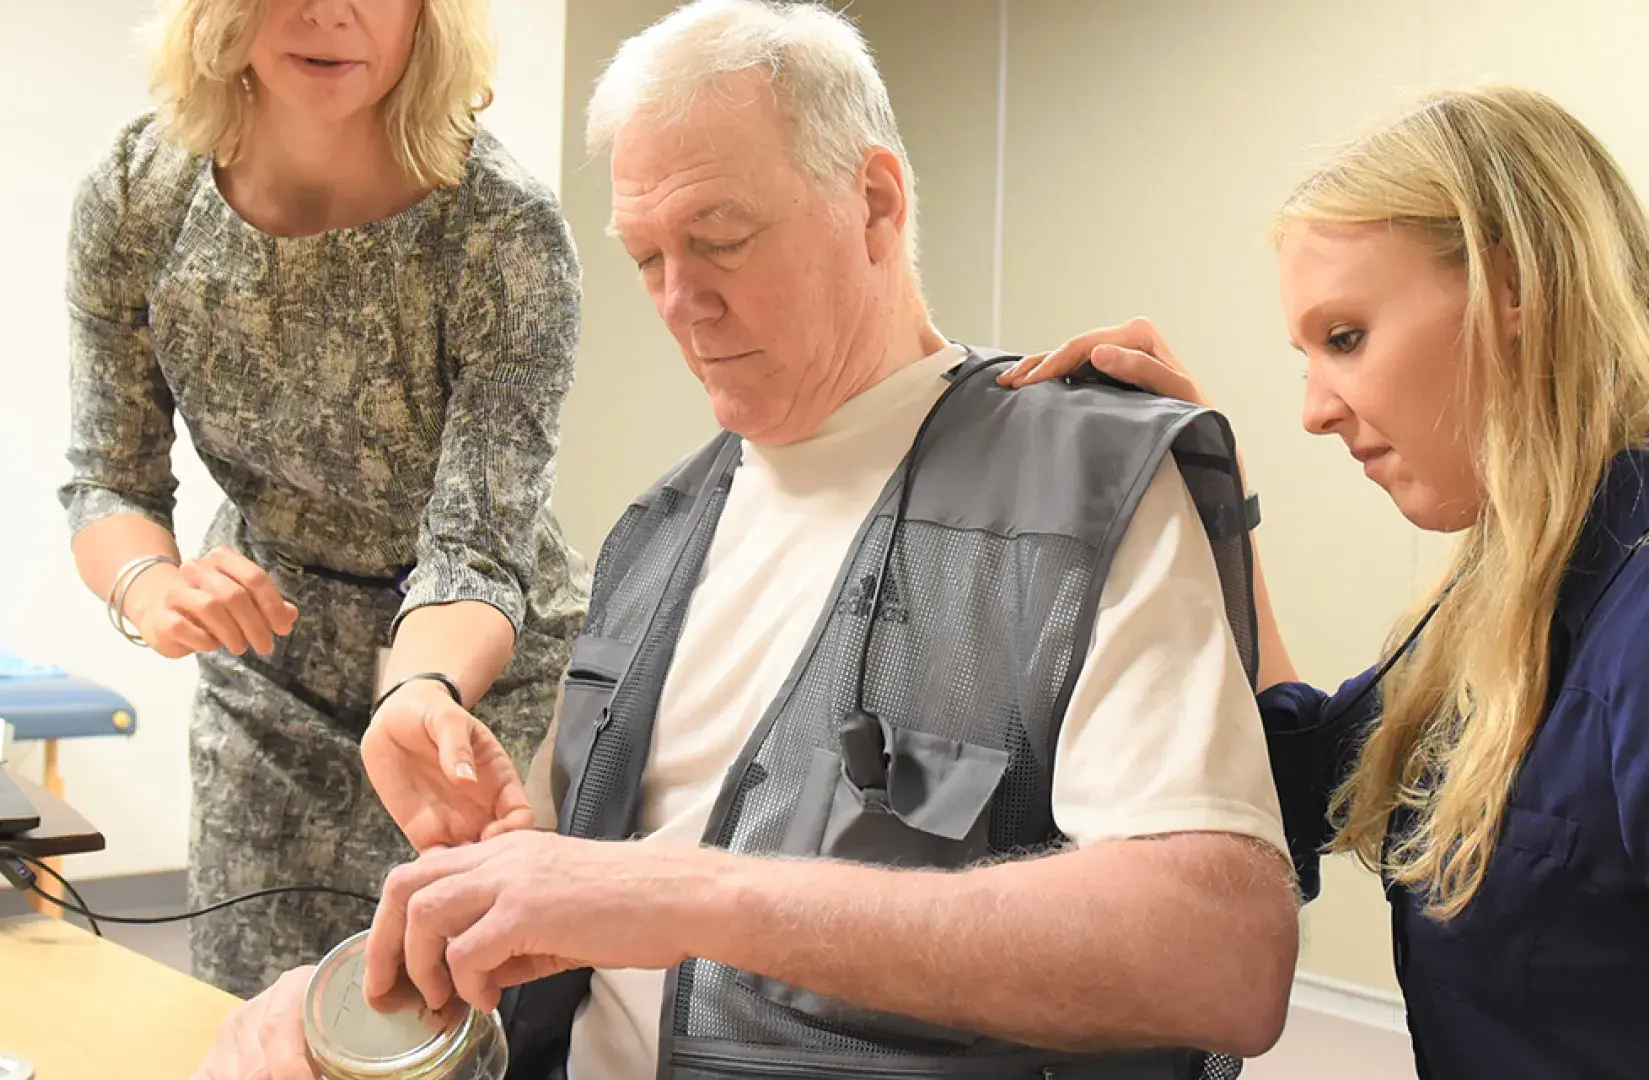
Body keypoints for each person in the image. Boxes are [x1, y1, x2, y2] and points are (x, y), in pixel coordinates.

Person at [190, 2, 1298, 1079]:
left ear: (873, 203)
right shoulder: (656, 537)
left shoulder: (1081, 489)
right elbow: (565, 949)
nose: (680, 302)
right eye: (645, 259)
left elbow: (1221, 957)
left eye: (719, 238)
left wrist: (694, 896)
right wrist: (350, 1011)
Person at [1002, 85, 1649, 1078]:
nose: (1315, 410)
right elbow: (1299, 774)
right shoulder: (1519, 592)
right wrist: (1209, 500)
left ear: (1509, 287)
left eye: (1345, 338)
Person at [61, 0, 587, 996]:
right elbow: (105, 477)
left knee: (428, 1013)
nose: (329, 14)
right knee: (250, 1020)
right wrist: (150, 586)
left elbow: (476, 547)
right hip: (267, 676)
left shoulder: (499, 225)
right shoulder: (141, 193)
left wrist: (419, 692)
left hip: (464, 691)